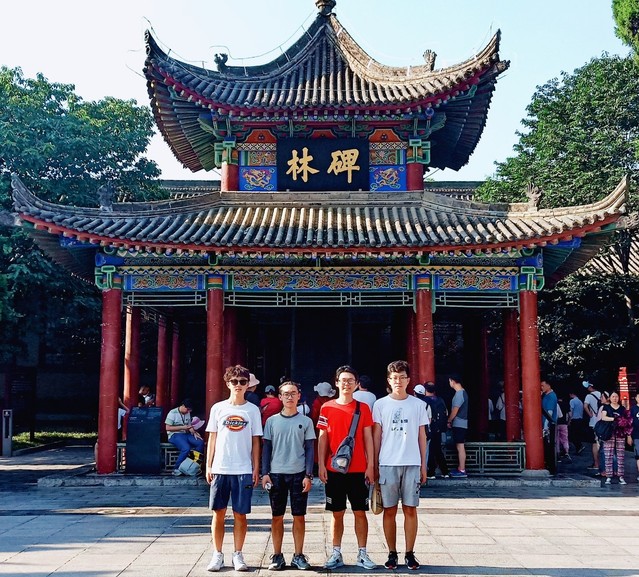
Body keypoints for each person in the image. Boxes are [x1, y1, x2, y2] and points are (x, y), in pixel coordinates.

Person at [317, 365, 376, 570]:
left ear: (357, 384)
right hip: (334, 469)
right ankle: (336, 552)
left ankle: (362, 553)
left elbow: (368, 438)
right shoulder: (327, 407)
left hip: (358, 468)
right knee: (337, 512)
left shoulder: (363, 408)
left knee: (360, 511)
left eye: (351, 380)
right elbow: (323, 438)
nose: (347, 384)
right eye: (343, 380)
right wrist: (321, 464)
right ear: (336, 383)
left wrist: (371, 465)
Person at [205, 365, 263, 572]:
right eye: (234, 381)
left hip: (243, 468)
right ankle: (217, 554)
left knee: (240, 514)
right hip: (221, 467)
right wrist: (208, 465)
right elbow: (212, 438)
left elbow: (256, 441)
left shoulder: (252, 410)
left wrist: (256, 467)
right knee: (218, 512)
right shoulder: (218, 408)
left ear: (248, 385)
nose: (238, 385)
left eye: (242, 382)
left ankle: (238, 553)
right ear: (228, 383)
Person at [373, 360, 428, 571]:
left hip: (412, 462)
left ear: (408, 380)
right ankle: (392, 552)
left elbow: (422, 436)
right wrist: (374, 464)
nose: (398, 381)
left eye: (402, 377)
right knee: (389, 510)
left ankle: (410, 553)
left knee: (410, 509)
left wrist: (423, 465)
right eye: (394, 378)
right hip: (388, 462)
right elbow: (377, 436)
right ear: (389, 380)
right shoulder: (380, 405)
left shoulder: (418, 405)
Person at [261, 381, 316, 571]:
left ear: (299, 396)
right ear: (280, 397)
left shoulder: (306, 421)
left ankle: (298, 555)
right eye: (286, 394)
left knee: (299, 516)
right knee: (277, 516)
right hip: (276, 474)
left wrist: (308, 474)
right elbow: (266, 448)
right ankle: (277, 555)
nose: (290, 397)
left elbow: (310, 449)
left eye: (293, 393)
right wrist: (265, 473)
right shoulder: (272, 421)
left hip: (298, 473)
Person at [599, 391, 632, 485]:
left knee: (621, 455)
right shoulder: (606, 407)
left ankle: (621, 476)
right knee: (608, 454)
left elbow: (627, 421)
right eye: (613, 396)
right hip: (609, 433)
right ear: (609, 398)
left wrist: (628, 434)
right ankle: (608, 476)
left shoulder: (622, 408)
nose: (615, 398)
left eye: (616, 396)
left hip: (620, 434)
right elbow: (603, 417)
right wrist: (615, 419)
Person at [165, 398, 205, 475]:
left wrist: (194, 433)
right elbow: (168, 428)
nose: (188, 412)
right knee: (186, 448)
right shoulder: (172, 413)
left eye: (190, 410)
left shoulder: (187, 413)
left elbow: (189, 426)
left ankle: (191, 466)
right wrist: (182, 427)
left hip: (185, 433)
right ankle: (176, 468)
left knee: (200, 442)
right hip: (174, 434)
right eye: (188, 409)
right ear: (183, 406)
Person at [421, 382, 450, 479]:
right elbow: (446, 412)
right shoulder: (440, 400)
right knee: (437, 449)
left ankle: (431, 472)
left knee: (430, 450)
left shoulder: (425, 401)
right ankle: (445, 471)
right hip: (439, 428)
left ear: (425, 390)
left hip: (429, 428)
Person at [310, 382, 336, 475]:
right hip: (330, 429)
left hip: (319, 429)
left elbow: (314, 417)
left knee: (318, 447)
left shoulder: (317, 402)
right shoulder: (333, 402)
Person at [447, 375, 468, 478]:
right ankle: (460, 468)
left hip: (459, 423)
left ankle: (462, 469)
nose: (449, 383)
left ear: (453, 381)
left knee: (460, 446)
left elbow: (455, 410)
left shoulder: (459, 394)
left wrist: (449, 420)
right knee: (460, 446)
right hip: (462, 423)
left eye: (449, 381)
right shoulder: (463, 393)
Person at [583, 381, 602, 469]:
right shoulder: (601, 394)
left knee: (594, 443)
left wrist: (590, 414)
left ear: (590, 387)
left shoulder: (589, 396)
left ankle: (596, 464)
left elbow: (585, 406)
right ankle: (603, 463)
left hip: (593, 421)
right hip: (602, 421)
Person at [540, 379, 558, 475]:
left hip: (548, 425)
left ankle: (550, 466)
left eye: (543, 385)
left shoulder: (551, 396)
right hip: (545, 423)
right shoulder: (546, 396)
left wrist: (546, 426)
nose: (541, 387)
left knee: (548, 446)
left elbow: (549, 412)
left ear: (549, 385)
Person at [568, 390, 585, 455]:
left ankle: (579, 446)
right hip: (580, 419)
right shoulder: (580, 401)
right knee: (577, 434)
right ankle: (579, 448)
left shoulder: (572, 401)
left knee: (572, 435)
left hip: (574, 420)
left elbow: (571, 411)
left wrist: (569, 420)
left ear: (572, 394)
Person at [556, 391, 571, 462]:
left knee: (557, 439)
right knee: (565, 438)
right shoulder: (566, 404)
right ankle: (566, 452)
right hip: (564, 423)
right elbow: (570, 414)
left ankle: (558, 453)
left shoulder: (555, 404)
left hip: (556, 423)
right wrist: (568, 422)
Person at [629, 391, 639, 482]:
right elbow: (629, 423)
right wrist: (629, 435)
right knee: (638, 455)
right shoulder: (633, 409)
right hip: (636, 435)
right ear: (636, 398)